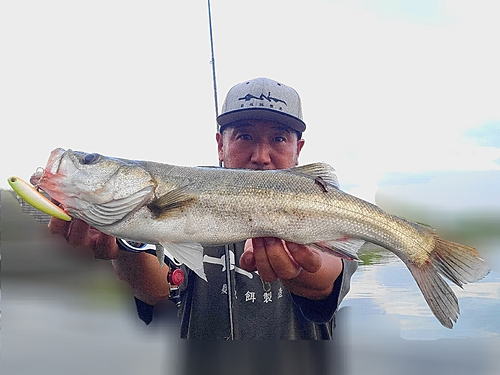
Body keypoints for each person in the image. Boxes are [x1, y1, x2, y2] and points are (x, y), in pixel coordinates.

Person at [49, 77, 357, 340]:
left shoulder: (325, 206)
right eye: (244, 136)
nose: (261, 156)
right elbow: (158, 292)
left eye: (278, 138)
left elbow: (326, 277)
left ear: (298, 149)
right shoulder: (184, 193)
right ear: (220, 144)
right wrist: (122, 249)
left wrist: (306, 268)